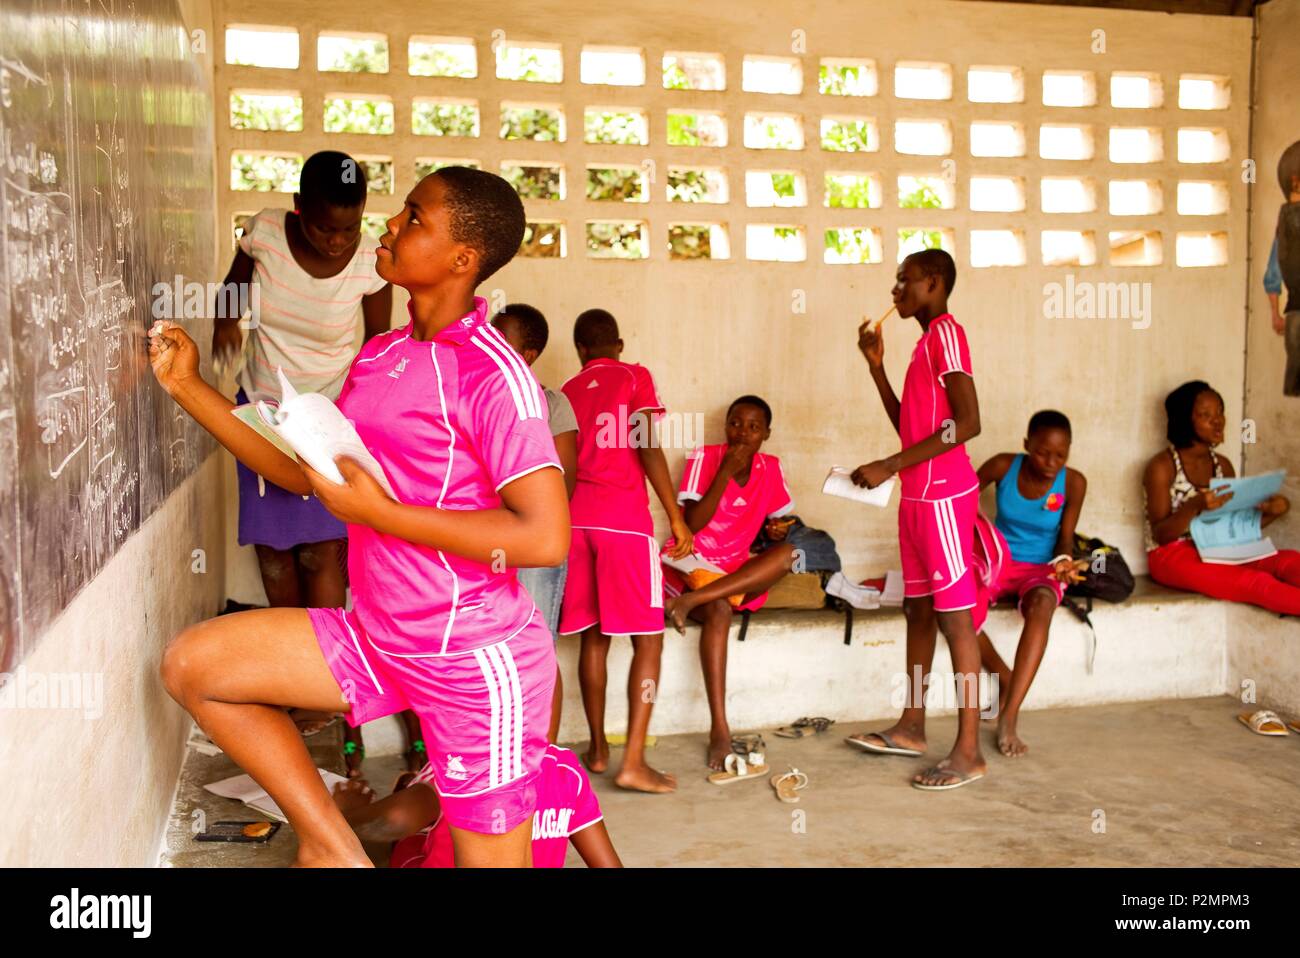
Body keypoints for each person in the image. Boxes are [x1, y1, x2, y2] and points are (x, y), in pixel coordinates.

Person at [148, 167, 569, 867]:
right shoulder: (381, 356)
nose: (389, 227)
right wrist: (189, 385)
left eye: (414, 218)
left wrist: (382, 514)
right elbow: (302, 473)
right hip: (379, 634)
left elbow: (543, 535)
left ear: (463, 258)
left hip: (470, 659)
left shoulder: (494, 376)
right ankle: (332, 845)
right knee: (195, 666)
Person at [212, 150, 410, 777]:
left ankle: (329, 689)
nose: (340, 239)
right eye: (327, 227)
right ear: (299, 212)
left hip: (327, 419)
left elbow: (377, 346)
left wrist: (367, 424)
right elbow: (232, 291)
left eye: (350, 228)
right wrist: (226, 325)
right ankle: (291, 681)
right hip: (265, 414)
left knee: (324, 551)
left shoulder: (365, 262)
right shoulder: (267, 230)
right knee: (274, 553)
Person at [844, 249, 988, 790]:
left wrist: (889, 465)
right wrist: (877, 368)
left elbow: (968, 424)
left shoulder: (948, 334)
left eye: (904, 280)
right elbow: (911, 426)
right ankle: (912, 726)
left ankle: (969, 751)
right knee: (918, 611)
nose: (895, 290)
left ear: (933, 282)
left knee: (956, 620)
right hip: (917, 500)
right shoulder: (925, 344)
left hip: (946, 498)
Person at [558, 308, 693, 793]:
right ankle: (633, 761)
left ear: (580, 350)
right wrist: (674, 513)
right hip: (623, 525)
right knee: (648, 639)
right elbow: (646, 443)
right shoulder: (634, 376)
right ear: (617, 343)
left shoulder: (567, 392)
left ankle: (597, 749)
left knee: (594, 638)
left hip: (576, 523)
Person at [662, 395, 799, 770]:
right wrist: (724, 472)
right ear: (726, 426)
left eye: (754, 427)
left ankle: (690, 603)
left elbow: (780, 527)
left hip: (737, 571)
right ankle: (720, 730)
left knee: (788, 553)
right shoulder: (704, 457)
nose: (743, 432)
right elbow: (692, 525)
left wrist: (775, 530)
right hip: (696, 561)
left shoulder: (771, 467)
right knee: (720, 611)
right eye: (736, 423)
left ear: (766, 434)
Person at [973, 410, 1088, 757]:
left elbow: (1064, 537)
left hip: (1042, 567)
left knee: (1042, 606)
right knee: (955, 605)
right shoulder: (1002, 466)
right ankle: (1003, 675)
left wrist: (1063, 563)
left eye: (1060, 455)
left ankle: (1009, 716)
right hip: (998, 561)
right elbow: (959, 502)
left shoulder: (1074, 483)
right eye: (1041, 452)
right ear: (1026, 445)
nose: (1051, 462)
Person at [491, 303, 579, 743]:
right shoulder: (472, 395)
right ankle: (497, 757)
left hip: (533, 541)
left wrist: (516, 508)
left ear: (527, 354)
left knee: (536, 649)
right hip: (483, 541)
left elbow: (565, 485)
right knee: (485, 650)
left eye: (500, 338)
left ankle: (544, 759)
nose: (487, 345)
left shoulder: (551, 403)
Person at [1142, 380, 1299, 614]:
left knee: (1289, 561)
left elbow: (1233, 528)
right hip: (1171, 556)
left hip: (1219, 546)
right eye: (1206, 414)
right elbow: (1161, 536)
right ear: (1185, 420)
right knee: (1255, 583)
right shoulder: (1162, 466)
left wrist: (1272, 512)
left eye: (1220, 412)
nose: (1218, 420)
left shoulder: (1222, 465)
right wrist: (1194, 506)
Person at [332, 743, 622, 868]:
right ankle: (410, 788)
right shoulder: (564, 767)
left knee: (408, 839)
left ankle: (408, 788)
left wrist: (343, 811)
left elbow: (391, 820)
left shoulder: (456, 767)